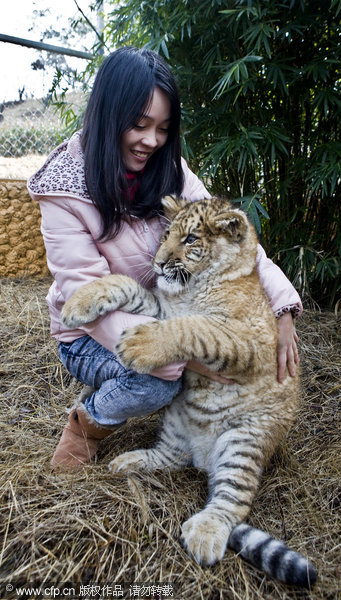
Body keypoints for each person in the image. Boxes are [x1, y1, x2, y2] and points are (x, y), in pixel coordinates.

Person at [28, 47, 302, 470]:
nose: (152, 141)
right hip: (85, 333)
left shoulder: (168, 165)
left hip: (156, 312)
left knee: (185, 364)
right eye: (139, 125)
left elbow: (230, 239)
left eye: (163, 128)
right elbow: (88, 299)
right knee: (159, 383)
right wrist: (182, 354)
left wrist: (282, 307)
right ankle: (89, 422)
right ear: (108, 115)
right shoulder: (64, 189)